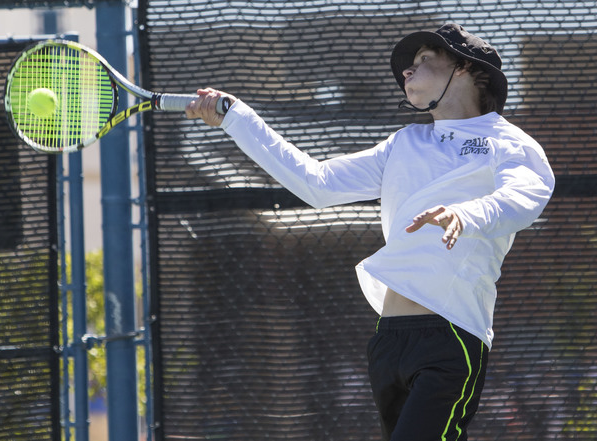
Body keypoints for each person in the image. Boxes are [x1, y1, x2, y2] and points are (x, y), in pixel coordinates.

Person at [186, 23, 555, 441]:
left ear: (465, 67)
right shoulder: (403, 143)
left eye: (423, 60)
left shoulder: (508, 142)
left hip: (451, 337)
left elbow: (527, 195)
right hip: (388, 343)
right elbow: (316, 182)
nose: (407, 72)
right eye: (407, 67)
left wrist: (467, 214)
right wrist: (237, 117)